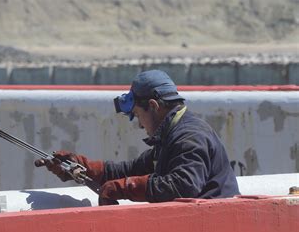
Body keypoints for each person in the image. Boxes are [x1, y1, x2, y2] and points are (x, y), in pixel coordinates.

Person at [35, 70, 240, 205]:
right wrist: (80, 167)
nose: (140, 124)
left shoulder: (190, 137)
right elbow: (130, 170)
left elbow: (182, 185)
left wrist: (122, 188)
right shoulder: (172, 136)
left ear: (153, 106)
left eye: (139, 115)